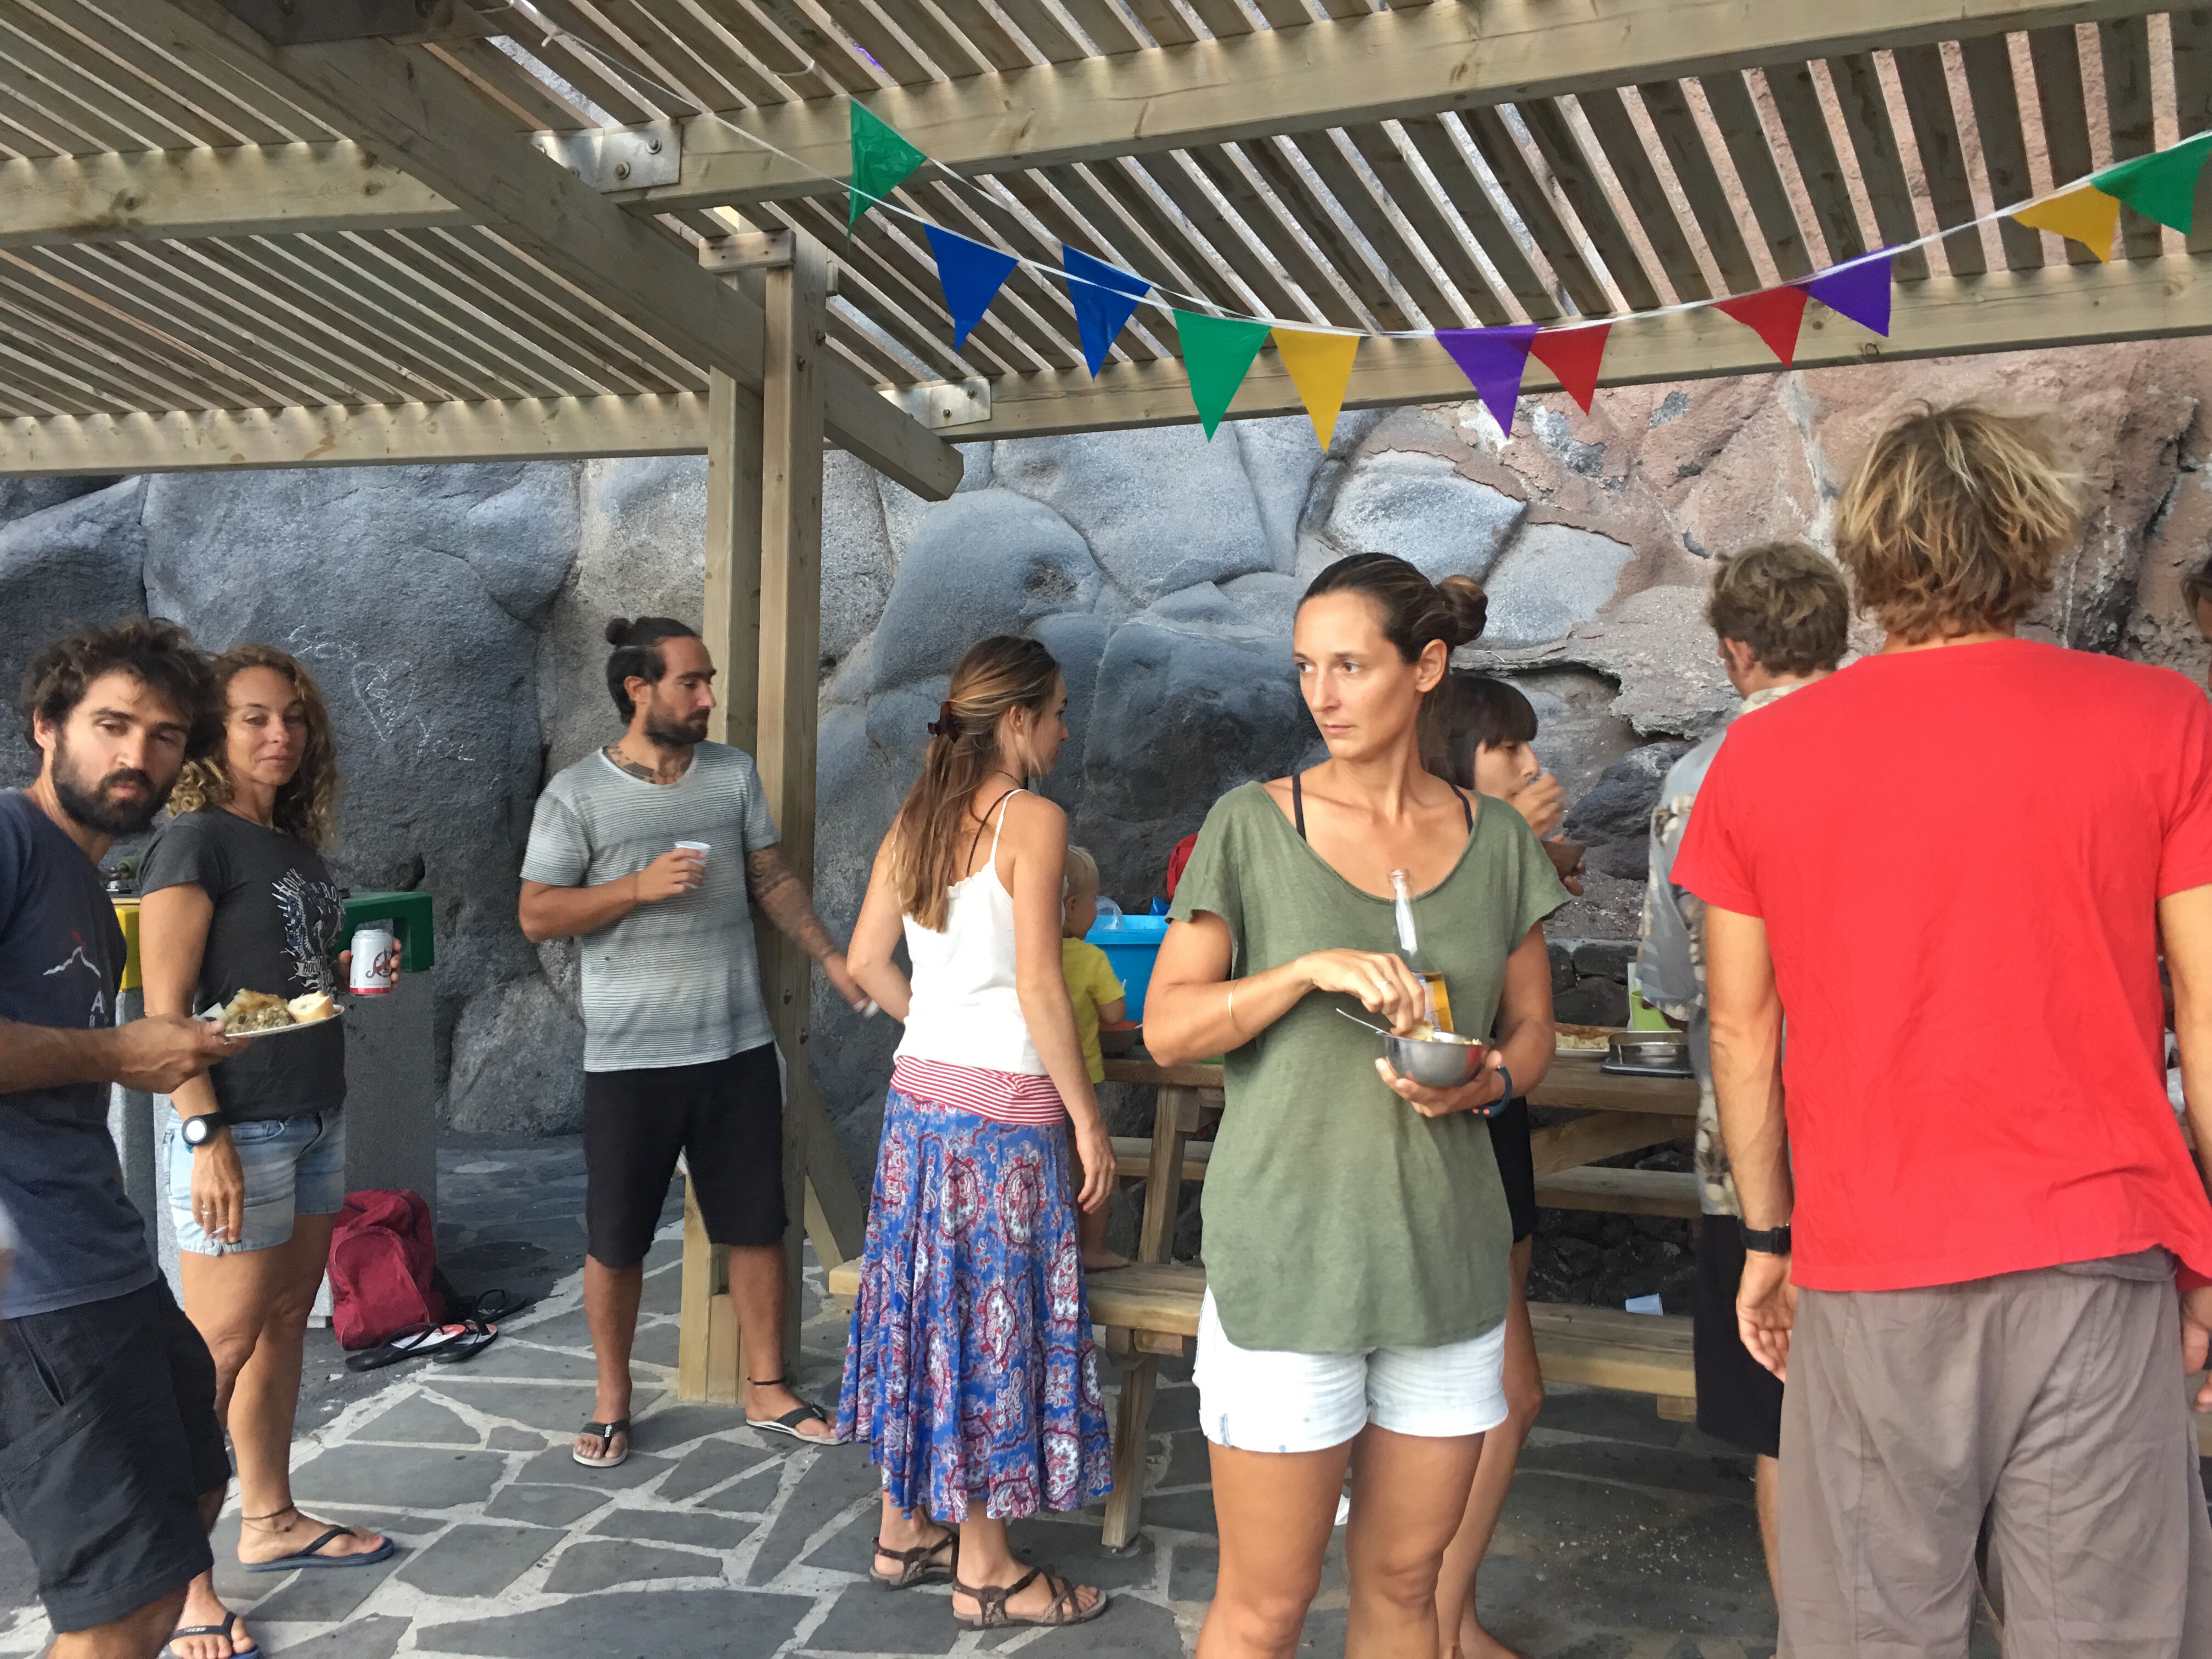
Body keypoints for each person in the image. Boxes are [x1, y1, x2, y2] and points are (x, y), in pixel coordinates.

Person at [1675, 405, 2212, 1655]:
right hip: (2097, 1248)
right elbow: (2204, 1002)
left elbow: (1741, 1033)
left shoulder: (1761, 756)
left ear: (1866, 554)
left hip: (1869, 1258)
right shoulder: (2162, 720)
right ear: (2033, 533)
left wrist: (1767, 1236)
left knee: (1872, 1632)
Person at [1144, 554, 1569, 1659]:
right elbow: (1169, 1026)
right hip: (1291, 1260)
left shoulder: (1498, 840)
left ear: (1424, 668)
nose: (1321, 695)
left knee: (1406, 1585)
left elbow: (1534, 1029)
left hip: (1447, 1260)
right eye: (1305, 668)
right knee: (1266, 1607)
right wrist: (1303, 970)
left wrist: (1491, 1080)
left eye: (1349, 666)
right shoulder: (1251, 825)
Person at [519, 616, 869, 1468]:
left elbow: (770, 878)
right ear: (638, 689)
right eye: (691, 682)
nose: (709, 696)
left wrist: (832, 957)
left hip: (735, 1048)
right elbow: (537, 913)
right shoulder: (576, 794)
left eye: (709, 679)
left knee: (757, 1223)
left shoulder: (731, 774)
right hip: (630, 1063)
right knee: (617, 1238)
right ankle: (612, 1400)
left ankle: (768, 1388)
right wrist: (636, 889)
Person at [839, 635, 1116, 1631]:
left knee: (926, 1314)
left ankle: (904, 1529)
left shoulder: (915, 816)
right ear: (1017, 720)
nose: (1065, 729)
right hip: (1003, 1123)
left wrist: (936, 1029)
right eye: (1058, 712)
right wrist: (1089, 1118)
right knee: (990, 1326)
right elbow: (1041, 981)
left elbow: (864, 959)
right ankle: (988, 1570)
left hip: (917, 1112)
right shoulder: (1033, 820)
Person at [139, 646, 395, 1659]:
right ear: (213, 730)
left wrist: (334, 976)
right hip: (237, 1126)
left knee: (285, 1323)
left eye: (291, 716)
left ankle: (271, 1517)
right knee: (214, 1351)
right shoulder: (193, 840)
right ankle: (178, 1584)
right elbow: (166, 1015)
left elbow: (262, 991)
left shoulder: (289, 843)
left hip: (312, 1113)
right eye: (253, 717)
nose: (279, 734)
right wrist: (204, 1135)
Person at [0, 620, 245, 1659]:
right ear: (46, 727)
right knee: (125, 1606)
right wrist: (118, 1052)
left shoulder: (95, 898)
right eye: (111, 725)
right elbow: (104, 1052)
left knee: (194, 1494)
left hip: (106, 1261)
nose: (136, 754)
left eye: (164, 736)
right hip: (34, 1286)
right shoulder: (10, 838)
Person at [1634, 541, 1848, 1606]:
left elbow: (1675, 984)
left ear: (1734, 651)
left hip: (1747, 1145)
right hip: (1886, 1133)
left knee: (1778, 1415)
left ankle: (1804, 1630)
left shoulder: (1698, 780)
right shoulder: (1894, 751)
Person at [1418, 671, 1582, 1659]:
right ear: (1454, 759)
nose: (1531, 762)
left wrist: (1529, 860)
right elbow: (1432, 985)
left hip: (1497, 1117)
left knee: (1503, 1394)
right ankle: (1436, 1625)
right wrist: (1513, 847)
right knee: (1500, 1393)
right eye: (1508, 746)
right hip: (1451, 1137)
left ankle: (1448, 1618)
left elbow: (1523, 1013)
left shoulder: (1496, 852)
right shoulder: (1418, 852)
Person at [1060, 844, 1128, 1272]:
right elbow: (1115, 1013)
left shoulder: (1023, 956)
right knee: (1094, 1168)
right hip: (1081, 1083)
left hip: (1034, 1084)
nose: (1097, 912)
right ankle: (1092, 1248)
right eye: (1093, 902)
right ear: (1071, 907)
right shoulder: (1090, 958)